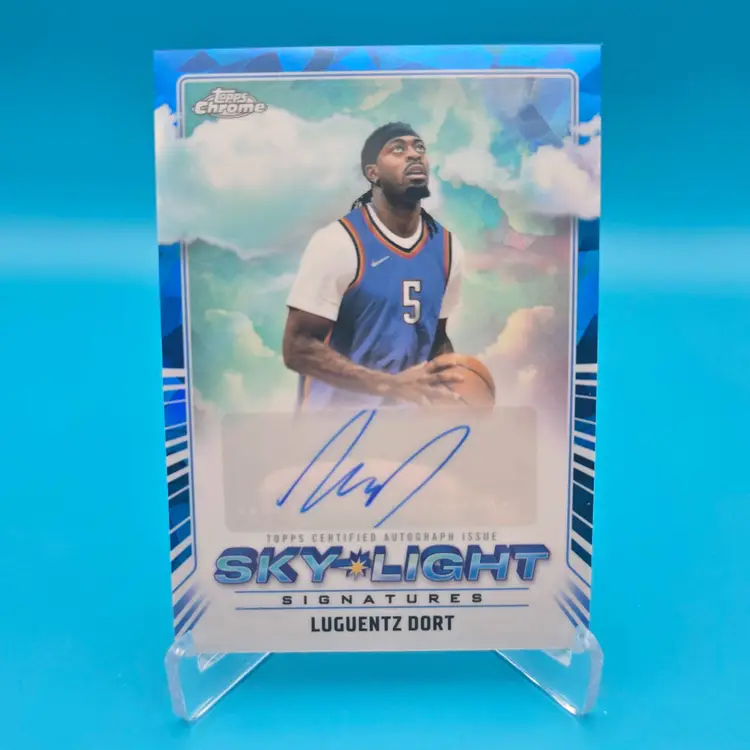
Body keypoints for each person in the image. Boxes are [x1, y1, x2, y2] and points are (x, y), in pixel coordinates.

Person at [283, 122, 466, 411]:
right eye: (398, 149)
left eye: (419, 148)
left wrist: (454, 384)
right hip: (335, 426)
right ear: (373, 173)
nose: (414, 154)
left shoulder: (447, 247)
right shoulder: (338, 242)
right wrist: (390, 385)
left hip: (405, 427)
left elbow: (437, 338)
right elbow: (298, 347)